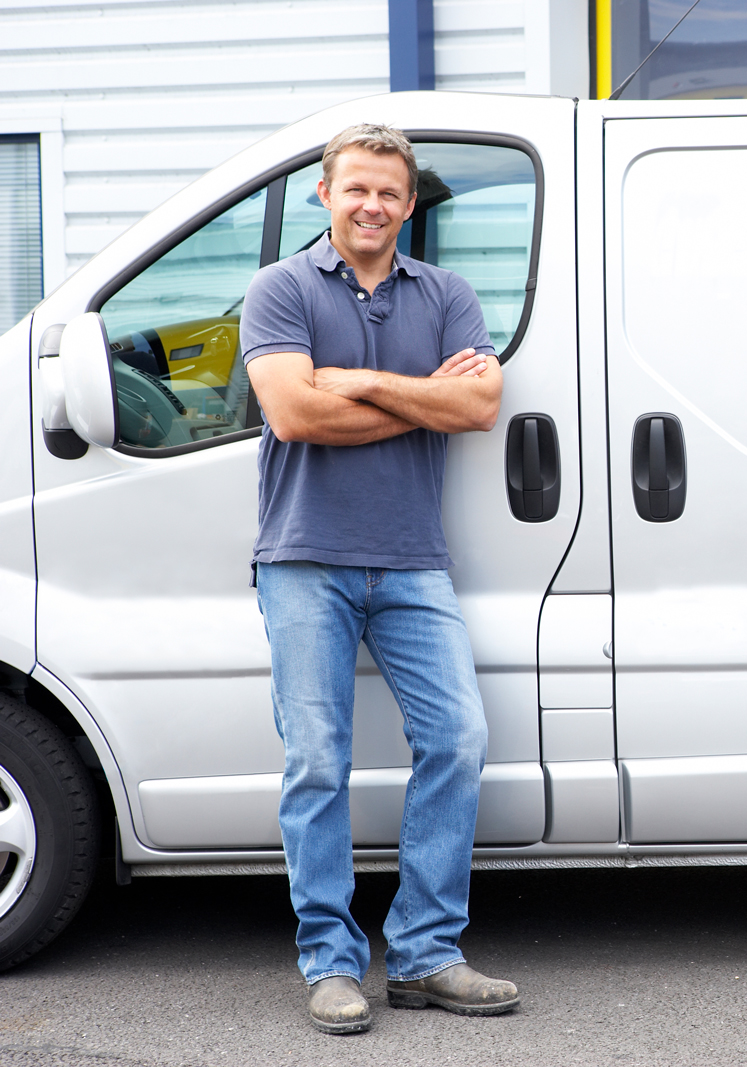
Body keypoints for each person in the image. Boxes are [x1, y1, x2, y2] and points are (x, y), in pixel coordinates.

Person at [241, 124, 516, 1035]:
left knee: (460, 739)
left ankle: (428, 952)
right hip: (304, 556)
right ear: (327, 194)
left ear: (409, 204)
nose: (373, 206)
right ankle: (330, 959)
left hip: (412, 557)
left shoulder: (446, 293)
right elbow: (290, 411)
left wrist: (354, 379)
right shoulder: (280, 287)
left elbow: (477, 404)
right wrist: (417, 397)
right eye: (356, 188)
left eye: (390, 193)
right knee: (317, 761)